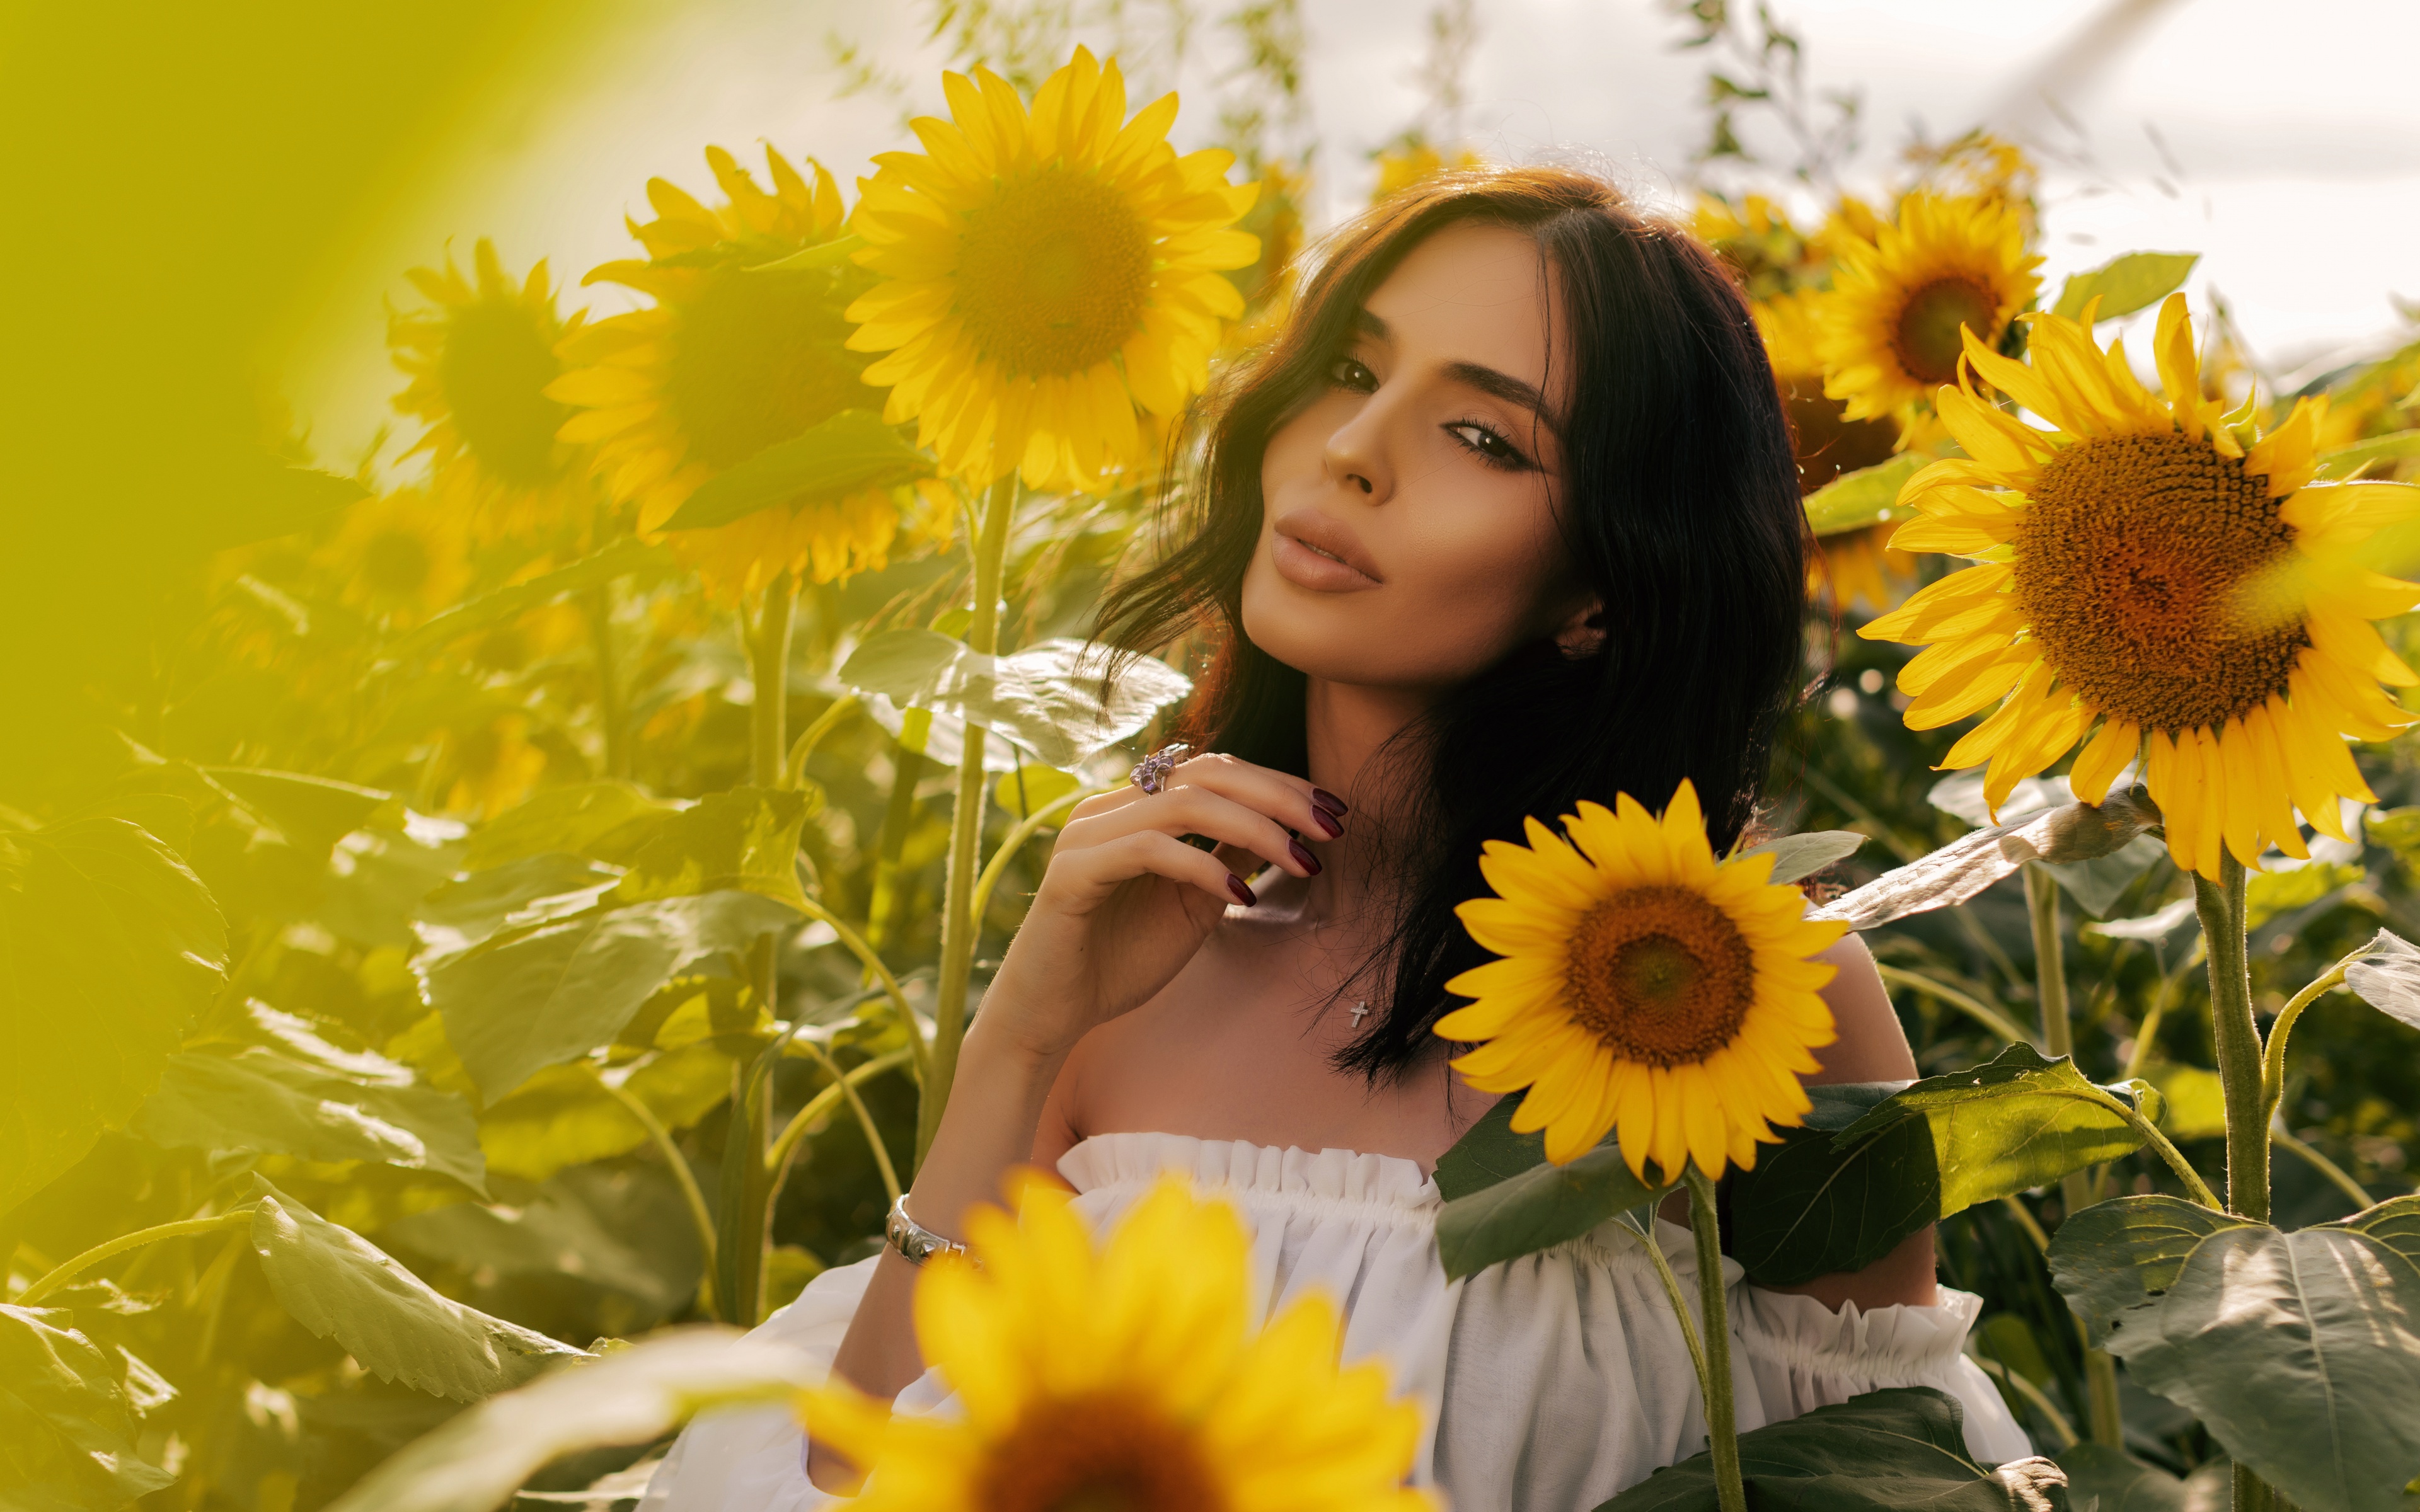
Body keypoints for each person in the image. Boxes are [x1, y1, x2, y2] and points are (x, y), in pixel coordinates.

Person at [642, 164, 2031, 1512]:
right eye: (1355, 374)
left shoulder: (1745, 990)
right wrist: (1021, 1034)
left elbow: (1883, 1478)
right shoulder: (1134, 956)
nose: (1355, 452)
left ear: (1605, 585)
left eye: (1482, 438)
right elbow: (864, 1473)